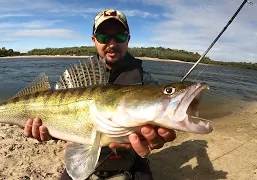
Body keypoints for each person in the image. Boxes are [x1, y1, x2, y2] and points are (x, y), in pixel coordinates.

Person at [24, 9, 176, 180]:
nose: (112, 44)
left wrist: (154, 137)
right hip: (85, 155)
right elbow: (57, 118)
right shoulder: (77, 77)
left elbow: (158, 126)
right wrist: (49, 132)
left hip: (131, 160)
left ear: (128, 39)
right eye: (104, 37)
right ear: (94, 40)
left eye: (119, 37)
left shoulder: (145, 81)